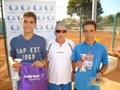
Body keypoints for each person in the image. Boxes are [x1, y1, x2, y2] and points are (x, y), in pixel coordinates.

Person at [9, 11, 47, 89]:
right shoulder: (14, 40)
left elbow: (44, 57)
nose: (28, 25)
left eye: (31, 22)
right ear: (21, 22)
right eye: (25, 21)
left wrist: (42, 62)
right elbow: (11, 56)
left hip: (37, 77)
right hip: (22, 78)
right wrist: (12, 63)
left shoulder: (41, 40)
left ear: (35, 24)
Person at [72, 20, 108, 90]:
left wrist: (101, 72)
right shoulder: (78, 47)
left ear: (95, 31)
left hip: (94, 85)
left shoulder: (102, 48)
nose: (89, 34)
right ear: (83, 32)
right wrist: (76, 63)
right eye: (86, 31)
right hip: (79, 85)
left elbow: (105, 64)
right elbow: (73, 61)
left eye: (91, 31)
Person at [47, 23, 75, 90]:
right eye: (58, 31)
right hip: (52, 79)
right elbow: (47, 60)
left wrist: (73, 72)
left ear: (66, 33)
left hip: (67, 79)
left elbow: (73, 60)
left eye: (63, 31)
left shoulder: (71, 44)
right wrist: (46, 74)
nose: (60, 33)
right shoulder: (49, 44)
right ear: (55, 33)